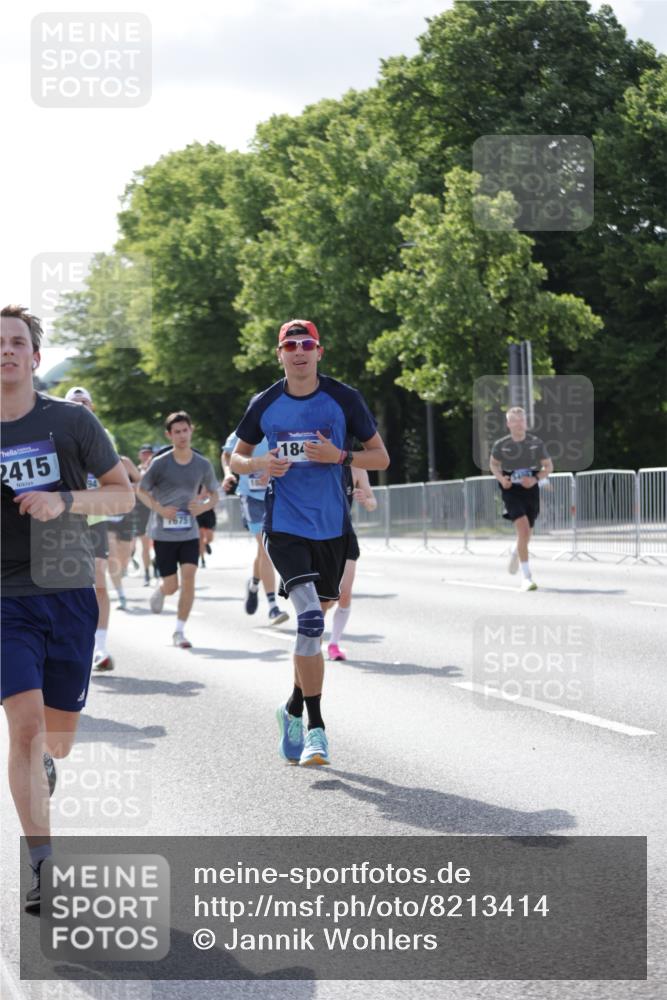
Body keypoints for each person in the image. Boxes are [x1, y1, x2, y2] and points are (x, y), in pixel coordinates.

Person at [1, 305, 133, 910]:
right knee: (25, 731)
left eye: (17, 342)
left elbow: (121, 491)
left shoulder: (71, 422)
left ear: (34, 356)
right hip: (5, 599)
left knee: (56, 742)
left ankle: (45, 775)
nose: (6, 351)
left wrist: (63, 500)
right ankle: (43, 866)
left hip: (69, 590)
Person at [231, 319, 389, 766]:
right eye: (290, 345)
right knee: (309, 622)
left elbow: (381, 456)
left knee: (310, 630)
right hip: (284, 527)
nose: (299, 351)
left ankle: (292, 708)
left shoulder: (344, 399)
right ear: (279, 354)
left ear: (320, 351)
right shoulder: (266, 402)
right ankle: (316, 730)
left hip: (333, 528)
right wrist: (260, 461)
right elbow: (235, 458)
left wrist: (339, 456)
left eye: (307, 344)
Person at [137, 411, 218, 648]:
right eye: (177, 432)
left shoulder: (202, 464)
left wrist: (202, 507)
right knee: (172, 586)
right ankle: (162, 590)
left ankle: (179, 631)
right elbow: (141, 490)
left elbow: (215, 495)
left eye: (185, 430)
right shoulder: (160, 463)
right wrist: (160, 509)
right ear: (169, 435)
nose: (182, 435)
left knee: (190, 577)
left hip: (189, 533)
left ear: (191, 430)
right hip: (163, 533)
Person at [64, 386, 116, 670]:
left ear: (92, 407)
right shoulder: (56, 434)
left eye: (85, 402)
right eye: (75, 403)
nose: (81, 407)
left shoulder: (105, 436)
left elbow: (114, 478)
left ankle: (100, 647)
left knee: (98, 582)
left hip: (95, 519)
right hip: (65, 521)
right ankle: (71, 644)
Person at [221, 431, 289, 626]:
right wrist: (227, 474)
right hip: (251, 498)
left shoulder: (280, 429)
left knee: (263, 550)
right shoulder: (243, 432)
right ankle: (273, 607)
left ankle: (254, 585)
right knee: (266, 549)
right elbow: (227, 455)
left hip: (276, 494)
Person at [489, 406, 553, 591]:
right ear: (508, 424)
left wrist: (534, 479)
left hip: (531, 491)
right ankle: (527, 577)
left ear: (526, 422)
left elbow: (548, 467)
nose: (519, 423)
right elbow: (493, 465)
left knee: (527, 535)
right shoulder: (501, 444)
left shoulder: (536, 443)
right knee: (523, 531)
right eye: (514, 420)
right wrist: (501, 479)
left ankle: (516, 550)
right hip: (511, 492)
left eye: (521, 420)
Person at [327, 465, 377, 661]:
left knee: (344, 593)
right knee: (326, 599)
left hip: (346, 536)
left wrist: (366, 500)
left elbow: (373, 503)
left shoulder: (357, 469)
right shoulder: (320, 465)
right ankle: (311, 636)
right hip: (320, 537)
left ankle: (333, 644)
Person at [135, 445, 155, 586]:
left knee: (159, 544)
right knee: (145, 545)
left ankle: (157, 566)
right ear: (139, 455)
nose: (147, 456)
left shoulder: (158, 469)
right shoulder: (134, 470)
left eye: (149, 454)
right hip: (141, 510)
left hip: (157, 509)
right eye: (144, 454)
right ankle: (147, 573)